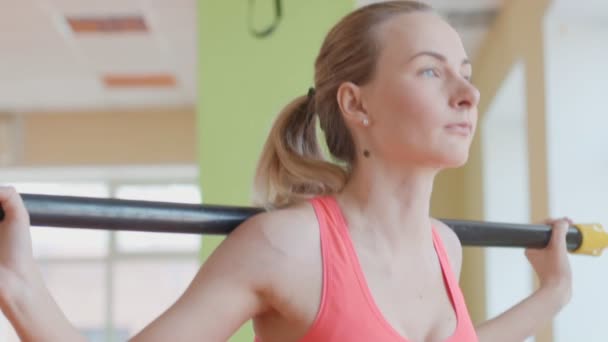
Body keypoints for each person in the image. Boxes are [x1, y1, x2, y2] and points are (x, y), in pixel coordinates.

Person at [0, 1, 573, 341]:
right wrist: (20, 287)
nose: (468, 93)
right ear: (357, 105)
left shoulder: (444, 247)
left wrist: (550, 295)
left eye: (465, 72)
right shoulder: (289, 248)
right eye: (430, 72)